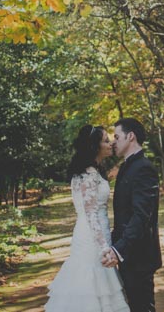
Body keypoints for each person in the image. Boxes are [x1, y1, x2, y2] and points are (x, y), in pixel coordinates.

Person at [44, 125, 130, 312]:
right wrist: (104, 248)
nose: (110, 144)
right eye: (106, 141)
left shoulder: (93, 172)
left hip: (97, 232)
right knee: (90, 284)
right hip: (92, 237)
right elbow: (91, 214)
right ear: (95, 147)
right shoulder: (88, 176)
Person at [101, 118, 161, 312]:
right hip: (127, 252)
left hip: (139, 255)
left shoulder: (143, 168)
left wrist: (119, 250)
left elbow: (141, 215)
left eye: (117, 137)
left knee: (142, 307)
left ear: (131, 136)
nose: (113, 142)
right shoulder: (127, 166)